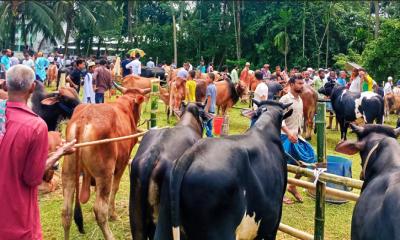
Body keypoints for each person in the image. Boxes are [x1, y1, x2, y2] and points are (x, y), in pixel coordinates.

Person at [0, 65, 75, 239]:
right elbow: (32, 177)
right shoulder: (35, 126)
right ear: (33, 87)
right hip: (15, 220)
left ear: (5, 86)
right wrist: (59, 153)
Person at [279, 74, 316, 204]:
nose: (302, 86)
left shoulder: (300, 100)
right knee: (281, 166)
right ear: (292, 84)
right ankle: (280, 193)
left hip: (296, 136)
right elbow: (279, 120)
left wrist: (297, 134)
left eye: (303, 83)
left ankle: (293, 186)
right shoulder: (284, 99)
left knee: (308, 160)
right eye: (299, 83)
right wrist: (288, 133)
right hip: (284, 137)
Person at [204, 72, 216, 137]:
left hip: (209, 108)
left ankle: (210, 135)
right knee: (209, 123)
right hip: (213, 107)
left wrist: (206, 109)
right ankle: (210, 134)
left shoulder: (208, 87)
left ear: (211, 79)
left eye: (207, 78)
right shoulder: (214, 86)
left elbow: (209, 99)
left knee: (205, 123)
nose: (206, 79)